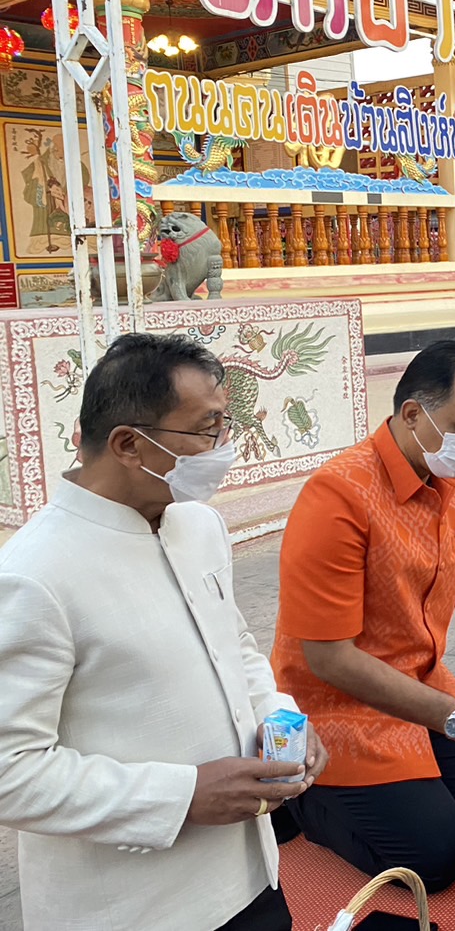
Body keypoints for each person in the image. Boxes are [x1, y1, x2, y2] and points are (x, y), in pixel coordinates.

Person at [0, 333, 326, 931]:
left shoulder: (197, 525)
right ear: (129, 444)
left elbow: (235, 647)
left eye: (223, 425)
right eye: (207, 429)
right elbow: (10, 772)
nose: (223, 447)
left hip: (250, 873)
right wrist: (181, 796)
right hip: (135, 906)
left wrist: (281, 720)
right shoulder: (33, 575)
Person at [272, 341, 455, 893]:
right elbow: (329, 658)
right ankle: (304, 802)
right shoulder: (338, 496)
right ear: (413, 414)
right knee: (436, 861)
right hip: (341, 708)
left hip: (422, 687)